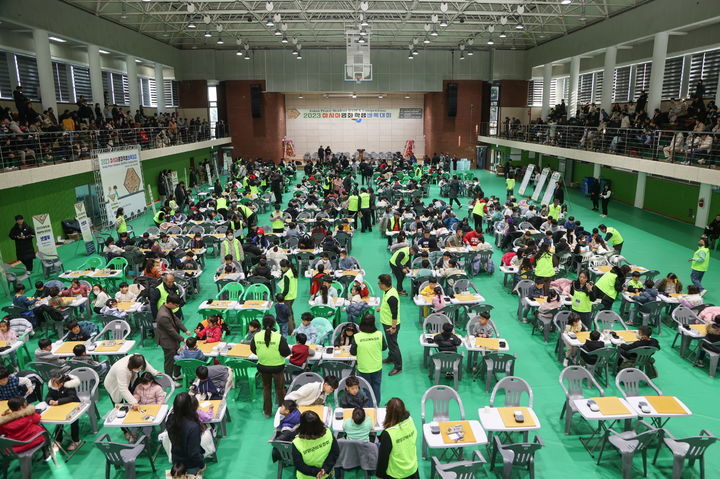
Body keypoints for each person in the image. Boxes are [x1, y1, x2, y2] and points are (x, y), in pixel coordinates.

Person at [251, 315, 291, 417]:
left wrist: (263, 354)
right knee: (280, 389)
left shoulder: (256, 336)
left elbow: (253, 349)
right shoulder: (278, 337)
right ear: (274, 324)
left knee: (266, 388)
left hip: (263, 366)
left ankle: (267, 411)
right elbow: (286, 352)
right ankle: (283, 411)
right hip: (277, 367)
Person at [377, 397, 419, 479]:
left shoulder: (388, 433)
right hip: (413, 470)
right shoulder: (410, 420)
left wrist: (380, 476)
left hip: (396, 474)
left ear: (388, 413)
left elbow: (383, 459)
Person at [166, 393, 206, 477]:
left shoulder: (170, 419)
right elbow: (194, 453)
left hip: (176, 461)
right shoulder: (193, 426)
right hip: (191, 464)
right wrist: (202, 465)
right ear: (189, 406)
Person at [350, 312, 386, 405]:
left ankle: (369, 406)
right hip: (377, 367)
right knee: (376, 387)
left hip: (363, 368)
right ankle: (376, 405)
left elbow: (352, 352)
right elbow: (384, 347)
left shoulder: (357, 337)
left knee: (366, 388)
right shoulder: (379, 334)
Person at [291, 410, 339, 479]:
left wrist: (316, 472)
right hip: (325, 474)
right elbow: (334, 453)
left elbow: (299, 465)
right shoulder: (328, 433)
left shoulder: (296, 443)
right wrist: (325, 469)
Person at [156, 294, 188, 383]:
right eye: (176, 305)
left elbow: (176, 319)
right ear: (170, 303)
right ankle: (168, 381)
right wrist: (183, 339)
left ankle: (177, 375)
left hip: (173, 339)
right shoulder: (163, 315)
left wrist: (185, 330)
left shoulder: (168, 308)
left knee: (178, 356)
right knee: (169, 361)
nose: (176, 307)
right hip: (167, 341)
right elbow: (171, 331)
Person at [45, 370, 81, 450]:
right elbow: (48, 396)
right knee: (58, 423)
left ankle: (76, 441)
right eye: (53, 384)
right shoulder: (52, 387)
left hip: (73, 406)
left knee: (74, 423)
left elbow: (72, 397)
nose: (54, 386)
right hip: (60, 408)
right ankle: (58, 440)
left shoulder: (69, 385)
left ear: (61, 383)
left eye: (56, 385)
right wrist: (50, 400)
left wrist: (58, 401)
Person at [377, 274, 402, 376]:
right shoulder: (388, 291)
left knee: (393, 345)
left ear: (383, 284)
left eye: (379, 283)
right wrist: (381, 308)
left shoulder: (392, 297)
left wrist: (393, 327)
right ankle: (391, 358)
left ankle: (398, 367)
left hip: (390, 325)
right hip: (386, 322)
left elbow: (394, 313)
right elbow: (388, 306)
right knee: (390, 343)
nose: (378, 285)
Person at [278, 259, 298, 331]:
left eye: (282, 267)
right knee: (290, 312)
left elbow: (286, 289)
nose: (281, 268)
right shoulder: (293, 271)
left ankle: (290, 330)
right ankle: (293, 326)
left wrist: (281, 296)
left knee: (288, 315)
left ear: (285, 267)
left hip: (287, 297)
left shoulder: (286, 275)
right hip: (293, 295)